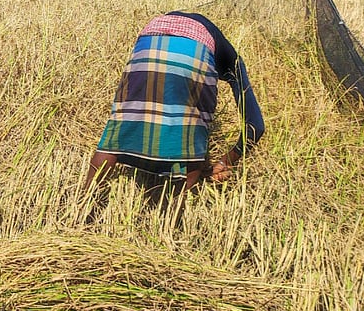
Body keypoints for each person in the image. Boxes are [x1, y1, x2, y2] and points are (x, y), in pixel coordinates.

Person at [83, 11, 265, 201]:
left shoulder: (184, 26)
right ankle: (171, 220)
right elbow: (256, 126)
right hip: (195, 49)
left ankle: (84, 207)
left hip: (148, 42)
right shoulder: (234, 63)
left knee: (118, 132)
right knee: (192, 138)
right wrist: (227, 161)